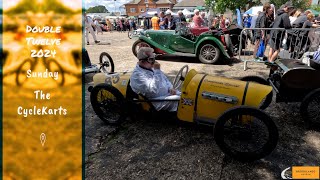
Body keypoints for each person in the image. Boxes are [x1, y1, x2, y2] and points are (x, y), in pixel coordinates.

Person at [130, 47, 180, 112]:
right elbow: (153, 90)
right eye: (151, 59)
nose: (153, 62)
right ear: (142, 61)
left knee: (188, 97)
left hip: (165, 95)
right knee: (182, 100)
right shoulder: (137, 76)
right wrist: (157, 71)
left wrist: (170, 88)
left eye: (153, 58)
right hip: (154, 102)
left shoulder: (150, 68)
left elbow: (165, 79)